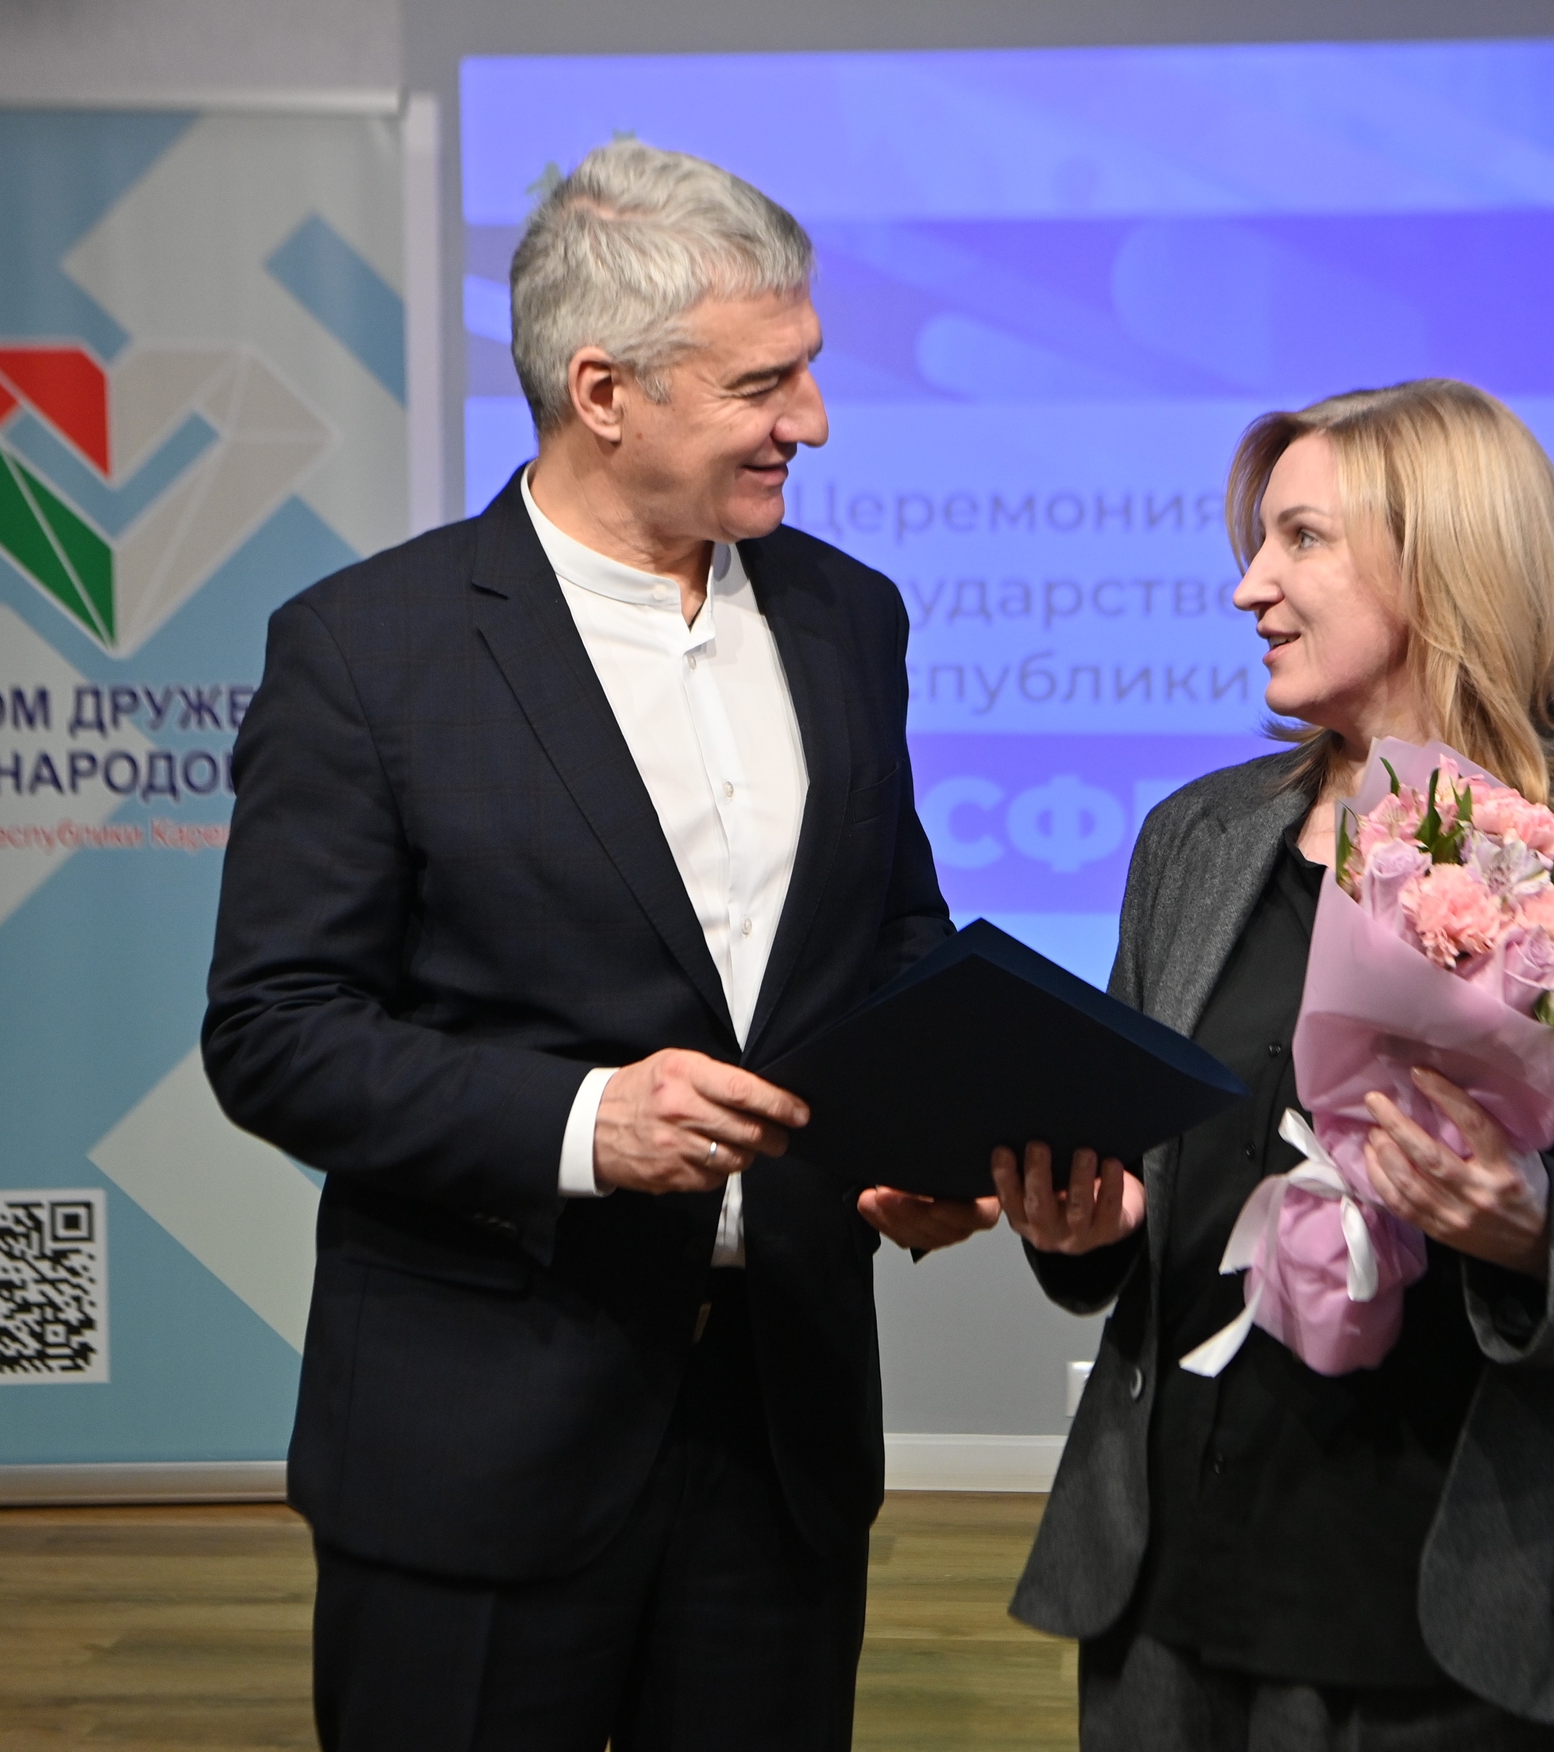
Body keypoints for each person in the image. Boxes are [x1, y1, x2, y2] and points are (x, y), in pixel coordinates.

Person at [202, 140, 994, 1752]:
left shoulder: (850, 617)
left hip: (781, 1437)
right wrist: (584, 1125)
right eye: (762, 384)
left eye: (808, 370)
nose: (812, 422)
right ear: (603, 392)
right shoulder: (366, 652)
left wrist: (930, 1142)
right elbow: (276, 1031)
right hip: (478, 1440)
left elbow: (890, 934)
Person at [995, 379, 1554, 1749]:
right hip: (1178, 1598)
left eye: (1301, 539)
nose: (1250, 585)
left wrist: (1540, 1233)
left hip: (1479, 1625)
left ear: (1443, 566)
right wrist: (1095, 1228)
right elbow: (1154, 1174)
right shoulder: (1197, 841)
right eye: (1258, 541)